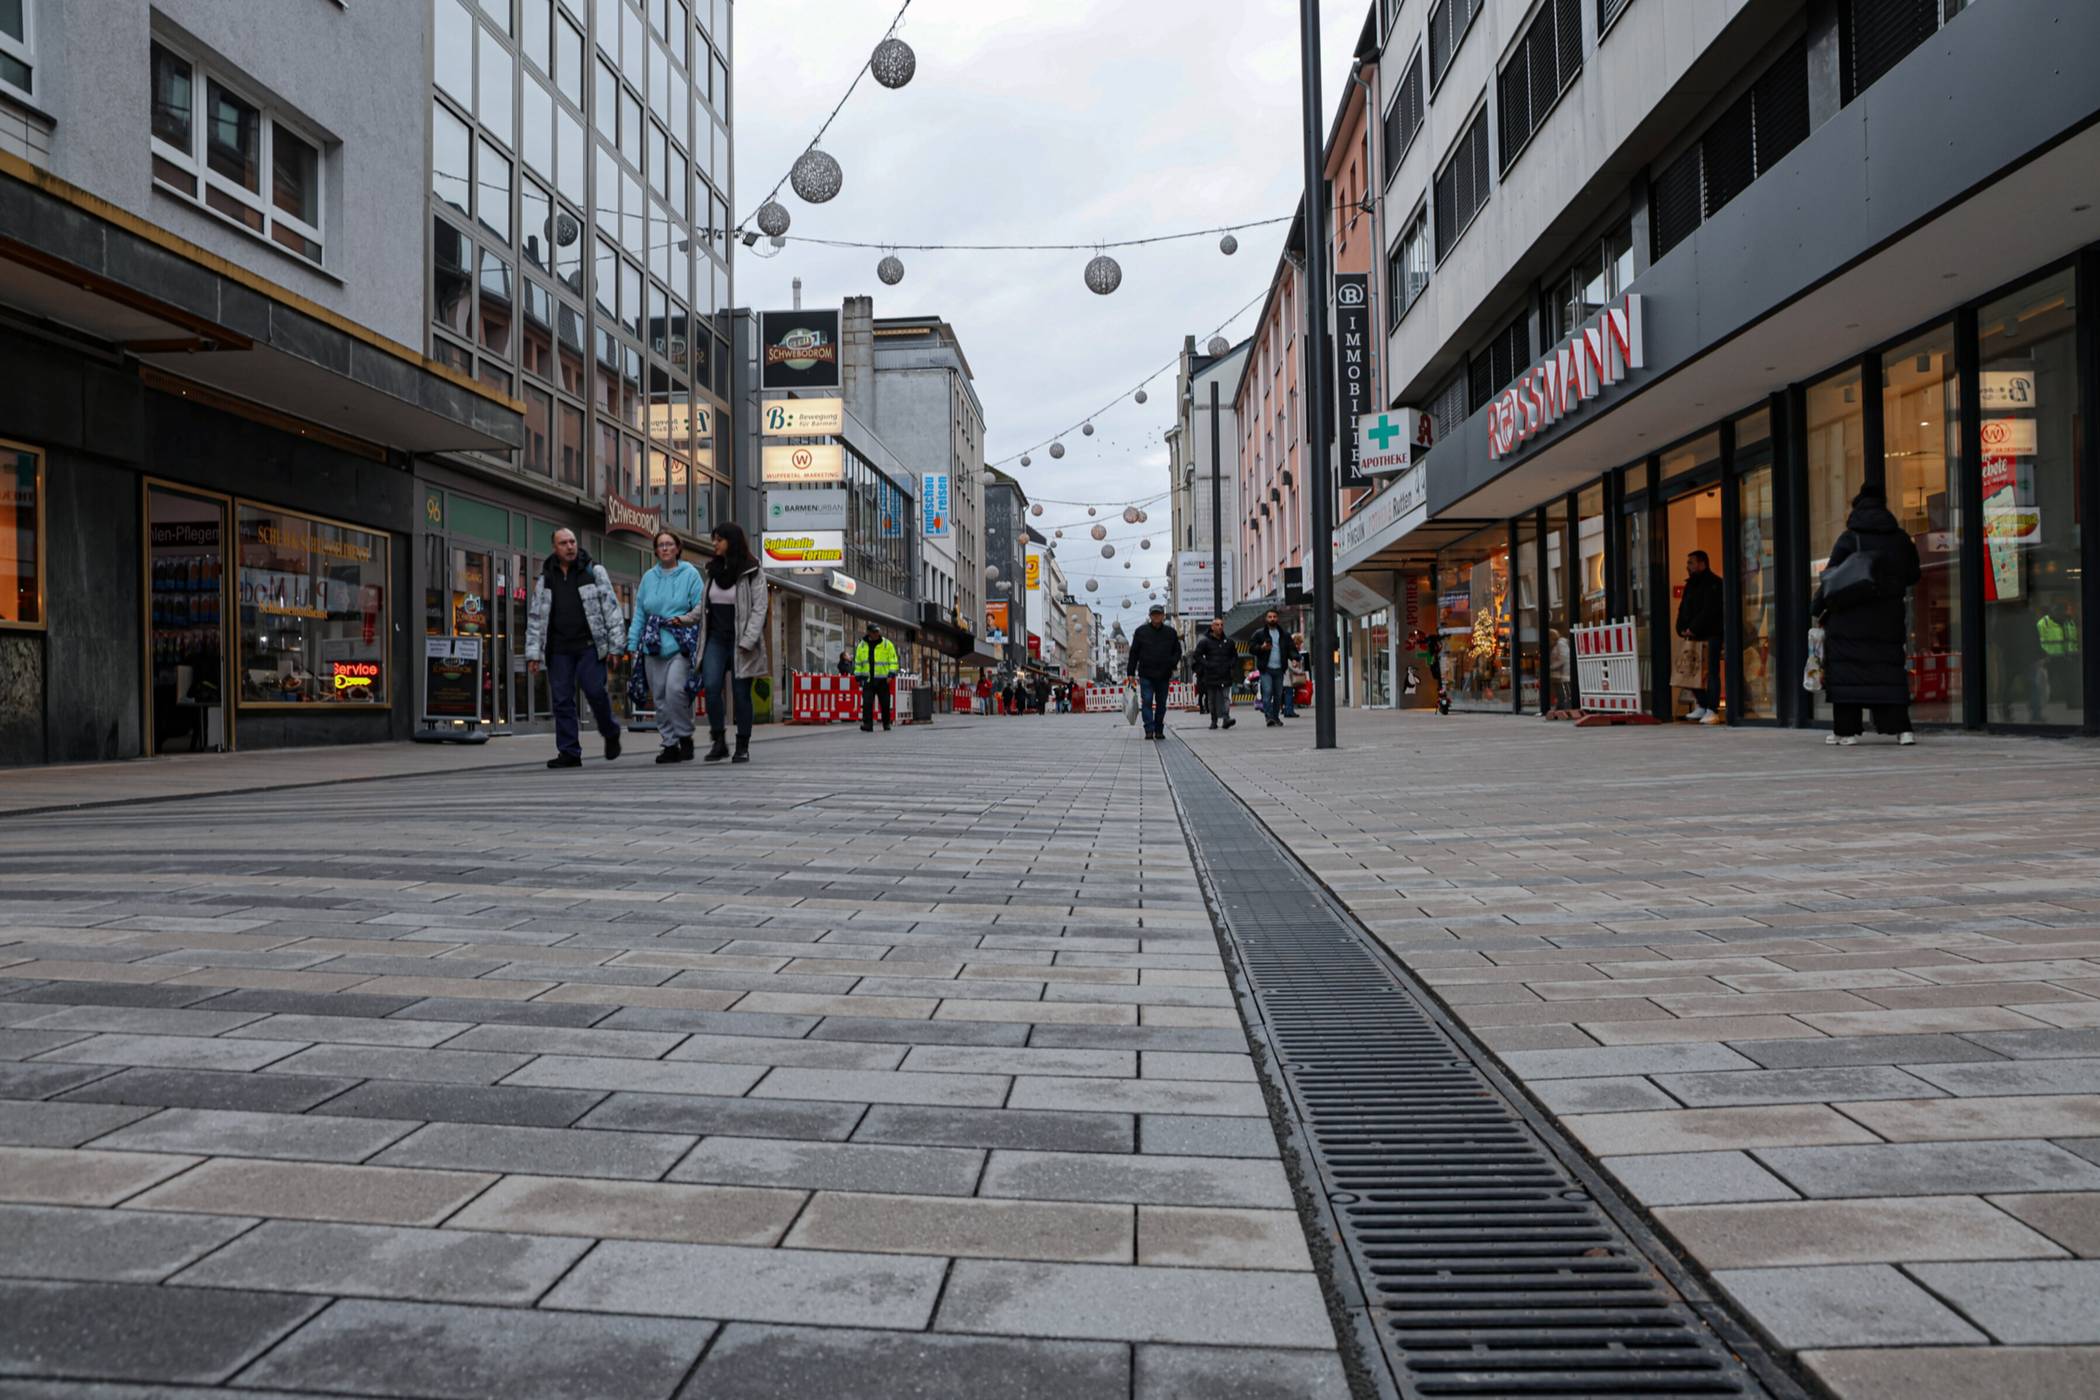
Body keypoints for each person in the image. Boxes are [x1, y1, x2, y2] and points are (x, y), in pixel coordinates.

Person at [1813, 484, 1923, 746]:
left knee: (1848, 673)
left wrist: (1816, 608)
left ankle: (1846, 731)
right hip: (1888, 617)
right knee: (1888, 672)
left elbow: (1833, 577)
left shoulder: (1850, 539)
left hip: (1850, 618)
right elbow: (1913, 575)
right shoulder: (1901, 539)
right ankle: (1902, 730)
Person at [524, 527, 626, 769]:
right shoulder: (546, 576)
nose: (570, 547)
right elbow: (536, 615)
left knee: (594, 690)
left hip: (589, 645)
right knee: (561, 700)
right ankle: (569, 752)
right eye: (563, 543)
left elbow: (611, 609)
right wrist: (533, 653)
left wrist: (616, 648)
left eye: (572, 542)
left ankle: (610, 731)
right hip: (558, 648)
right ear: (554, 547)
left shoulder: (593, 571)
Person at [627, 530, 705, 764]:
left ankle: (685, 736)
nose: (665, 548)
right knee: (659, 697)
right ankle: (669, 744)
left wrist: (685, 619)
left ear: (678, 548)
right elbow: (640, 611)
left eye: (669, 544)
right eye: (660, 545)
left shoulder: (690, 573)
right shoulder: (649, 577)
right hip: (652, 644)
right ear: (655, 550)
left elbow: (701, 606)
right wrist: (632, 642)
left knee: (674, 691)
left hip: (679, 643)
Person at [696, 521, 767, 764]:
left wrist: (749, 639)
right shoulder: (713, 570)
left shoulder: (752, 570)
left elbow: (760, 608)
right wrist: (682, 619)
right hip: (715, 639)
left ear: (732, 541)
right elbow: (703, 605)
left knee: (740, 694)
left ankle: (742, 745)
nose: (714, 544)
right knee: (712, 687)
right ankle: (718, 741)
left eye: (719, 539)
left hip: (741, 640)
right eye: (714, 539)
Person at [1676, 550, 1723, 723]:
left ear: (1702, 564)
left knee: (1712, 672)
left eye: (1691, 563)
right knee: (1688, 670)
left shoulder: (1715, 584)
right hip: (1693, 634)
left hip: (1712, 634)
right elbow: (1683, 608)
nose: (1687, 566)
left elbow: (1710, 610)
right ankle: (1703, 705)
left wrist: (1693, 628)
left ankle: (1712, 709)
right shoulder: (1690, 585)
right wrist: (1681, 628)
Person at [1124, 603, 1183, 740]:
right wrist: (1130, 672)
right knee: (1147, 701)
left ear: (1163, 616)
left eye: (1159, 614)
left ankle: (1159, 729)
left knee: (1161, 703)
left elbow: (1177, 651)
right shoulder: (1141, 632)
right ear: (1150, 616)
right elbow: (1134, 653)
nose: (1156, 616)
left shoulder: (1170, 632)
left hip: (1164, 674)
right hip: (1146, 674)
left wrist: (1171, 663)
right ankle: (1149, 729)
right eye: (1154, 614)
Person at [1248, 608, 1298, 727]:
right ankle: (1269, 717)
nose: (1272, 619)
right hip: (1266, 669)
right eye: (1270, 617)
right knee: (1267, 692)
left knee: (1278, 694)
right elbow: (1251, 648)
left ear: (1277, 618)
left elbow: (1291, 649)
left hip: (1280, 669)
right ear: (1266, 619)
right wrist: (1261, 648)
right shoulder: (1259, 633)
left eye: (1274, 617)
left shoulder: (1284, 634)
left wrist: (1294, 659)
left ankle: (1275, 717)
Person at [1191, 618, 1238, 731]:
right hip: (1211, 675)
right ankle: (1214, 720)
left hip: (1225, 674)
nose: (1220, 627)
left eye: (1221, 625)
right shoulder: (1205, 641)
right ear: (1212, 627)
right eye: (1217, 625)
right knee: (1211, 699)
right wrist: (1207, 664)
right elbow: (1197, 655)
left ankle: (1226, 718)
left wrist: (1231, 665)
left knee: (1226, 697)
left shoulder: (1229, 642)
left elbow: (1234, 656)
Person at [852, 621, 899, 731]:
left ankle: (886, 723)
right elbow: (858, 662)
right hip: (868, 679)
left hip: (883, 679)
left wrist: (891, 675)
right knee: (867, 703)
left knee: (885, 703)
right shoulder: (862, 645)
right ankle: (867, 725)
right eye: (874, 632)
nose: (876, 634)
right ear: (869, 632)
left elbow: (893, 660)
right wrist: (858, 677)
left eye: (877, 631)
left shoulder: (887, 644)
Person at [1546, 627, 1574, 716]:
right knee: (1561, 691)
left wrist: (1551, 667)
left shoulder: (1561, 643)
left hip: (1565, 672)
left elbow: (1563, 658)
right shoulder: (1557, 644)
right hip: (1562, 672)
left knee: (1564, 690)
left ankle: (1564, 707)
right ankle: (1561, 706)